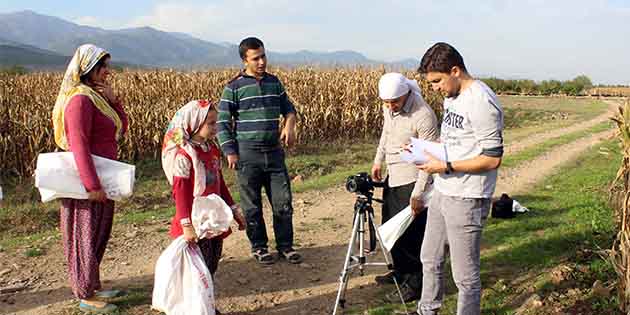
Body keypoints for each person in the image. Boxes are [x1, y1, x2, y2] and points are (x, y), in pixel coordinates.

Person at [413, 42, 504, 315]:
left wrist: (446, 165)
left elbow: (492, 158)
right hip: (442, 191)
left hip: (467, 196)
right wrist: (425, 151)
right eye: (430, 84)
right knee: (429, 258)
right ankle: (427, 310)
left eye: (437, 81)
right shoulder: (451, 97)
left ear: (455, 70)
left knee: (465, 277)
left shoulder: (482, 102)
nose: (435, 88)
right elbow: (453, 138)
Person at [52, 44, 128, 313]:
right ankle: (84, 294)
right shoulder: (79, 100)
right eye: (103, 67)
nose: (108, 71)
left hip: (103, 177)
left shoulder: (96, 98)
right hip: (87, 184)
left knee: (98, 233)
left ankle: (92, 284)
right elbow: (79, 145)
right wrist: (91, 185)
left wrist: (114, 100)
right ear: (88, 69)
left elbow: (121, 129)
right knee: (83, 236)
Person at [217, 37, 302, 265]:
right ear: (245, 60)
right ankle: (259, 247)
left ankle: (286, 246)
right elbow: (222, 123)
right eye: (256, 58)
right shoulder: (233, 88)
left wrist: (289, 125)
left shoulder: (275, 83)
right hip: (247, 154)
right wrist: (230, 151)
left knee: (283, 203)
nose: (262, 61)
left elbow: (289, 109)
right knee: (252, 206)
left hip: (274, 152)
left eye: (263, 56)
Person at [161, 99, 246, 315]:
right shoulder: (185, 156)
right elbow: (180, 193)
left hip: (213, 219)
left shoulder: (212, 150)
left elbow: (220, 183)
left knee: (211, 265)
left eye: (216, 122)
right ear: (195, 124)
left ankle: (204, 307)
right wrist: (186, 225)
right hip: (196, 223)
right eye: (210, 123)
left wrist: (235, 210)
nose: (215, 127)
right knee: (199, 271)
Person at [371, 73, 439, 303]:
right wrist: (377, 160)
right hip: (394, 176)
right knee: (391, 227)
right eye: (386, 103)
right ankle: (400, 271)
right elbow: (386, 133)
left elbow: (430, 159)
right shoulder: (389, 108)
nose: (390, 106)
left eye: (395, 102)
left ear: (406, 94)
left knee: (411, 235)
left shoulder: (423, 115)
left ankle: (415, 284)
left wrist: (418, 193)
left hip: (412, 181)